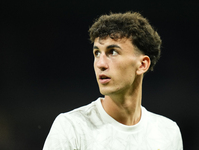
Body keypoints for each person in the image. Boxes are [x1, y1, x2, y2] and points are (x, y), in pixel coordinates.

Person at [43, 12, 183, 150]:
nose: (100, 64)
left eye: (113, 52)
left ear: (142, 65)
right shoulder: (71, 128)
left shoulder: (168, 133)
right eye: (97, 53)